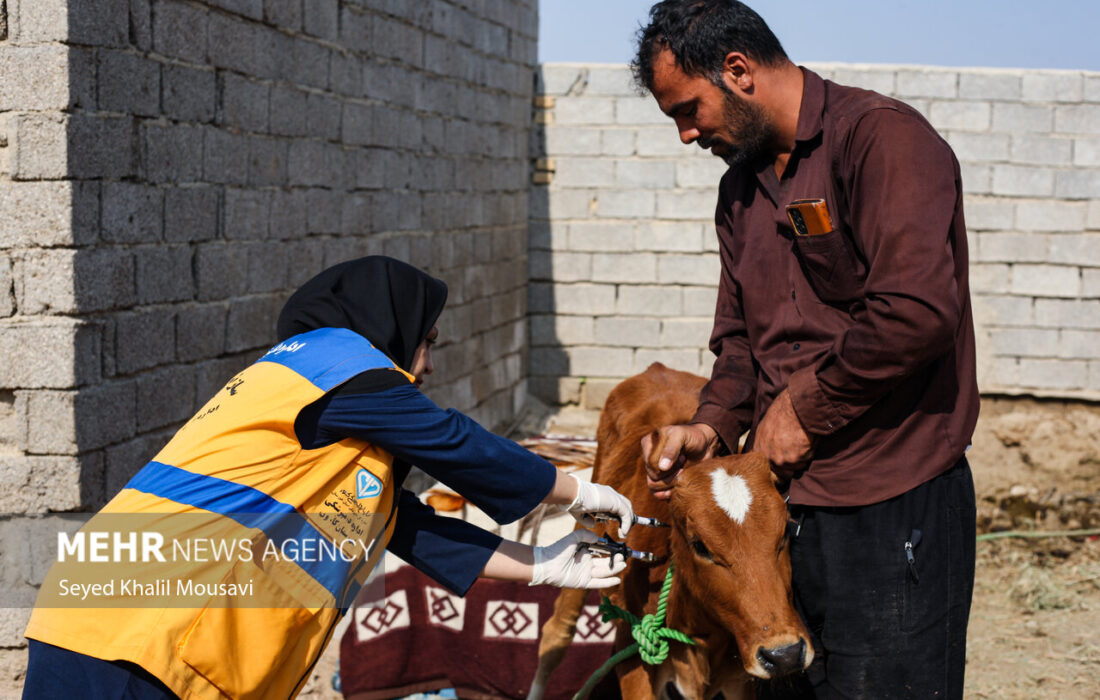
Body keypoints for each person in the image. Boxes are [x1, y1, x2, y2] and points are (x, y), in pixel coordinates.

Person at [24, 256, 635, 700]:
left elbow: (409, 528)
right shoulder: (335, 362)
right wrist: (580, 491)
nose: (429, 363)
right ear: (390, 326)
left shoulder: (337, 413)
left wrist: (548, 564)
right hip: (136, 635)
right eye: (429, 341)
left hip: (124, 624)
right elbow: (451, 440)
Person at [632, 2, 979, 698]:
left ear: (738, 71)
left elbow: (916, 311)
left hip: (890, 502)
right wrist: (710, 425)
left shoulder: (882, 141)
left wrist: (805, 408)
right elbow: (737, 345)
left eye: (689, 109)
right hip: (780, 512)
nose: (685, 133)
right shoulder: (739, 192)